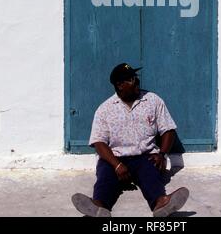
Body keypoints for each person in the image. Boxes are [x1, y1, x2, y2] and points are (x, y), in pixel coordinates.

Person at [72, 63, 189, 217]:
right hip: (115, 159)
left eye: (135, 78)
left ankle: (161, 204)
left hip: (144, 157)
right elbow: (98, 142)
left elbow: (168, 129)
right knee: (105, 179)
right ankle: (98, 207)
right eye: (131, 80)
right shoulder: (104, 109)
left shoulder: (153, 100)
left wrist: (162, 154)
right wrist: (117, 165)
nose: (137, 82)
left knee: (151, 176)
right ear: (119, 86)